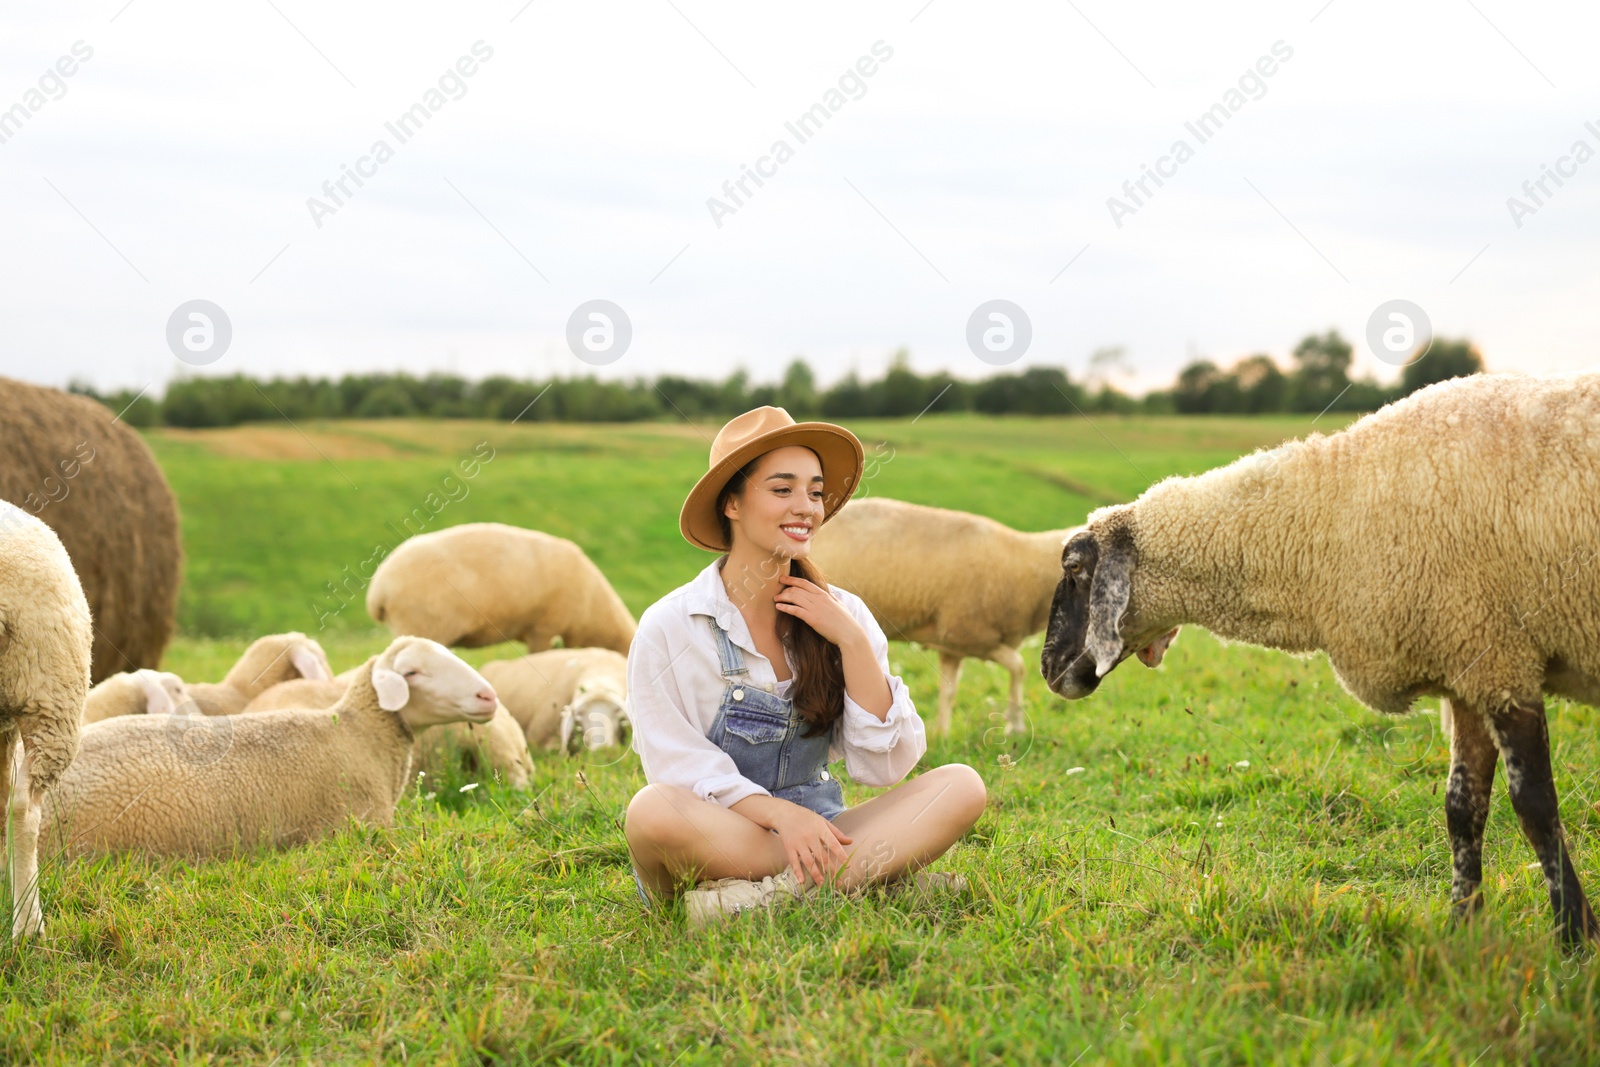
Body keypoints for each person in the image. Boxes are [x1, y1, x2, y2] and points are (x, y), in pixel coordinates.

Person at [623, 406, 987, 925]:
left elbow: (884, 767)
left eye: (815, 492)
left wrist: (852, 643)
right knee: (651, 811)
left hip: (823, 828)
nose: (806, 508)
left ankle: (762, 901)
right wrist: (778, 816)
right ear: (732, 503)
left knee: (962, 785)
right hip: (719, 839)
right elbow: (675, 765)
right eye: (782, 490)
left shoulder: (845, 614)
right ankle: (861, 878)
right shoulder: (671, 626)